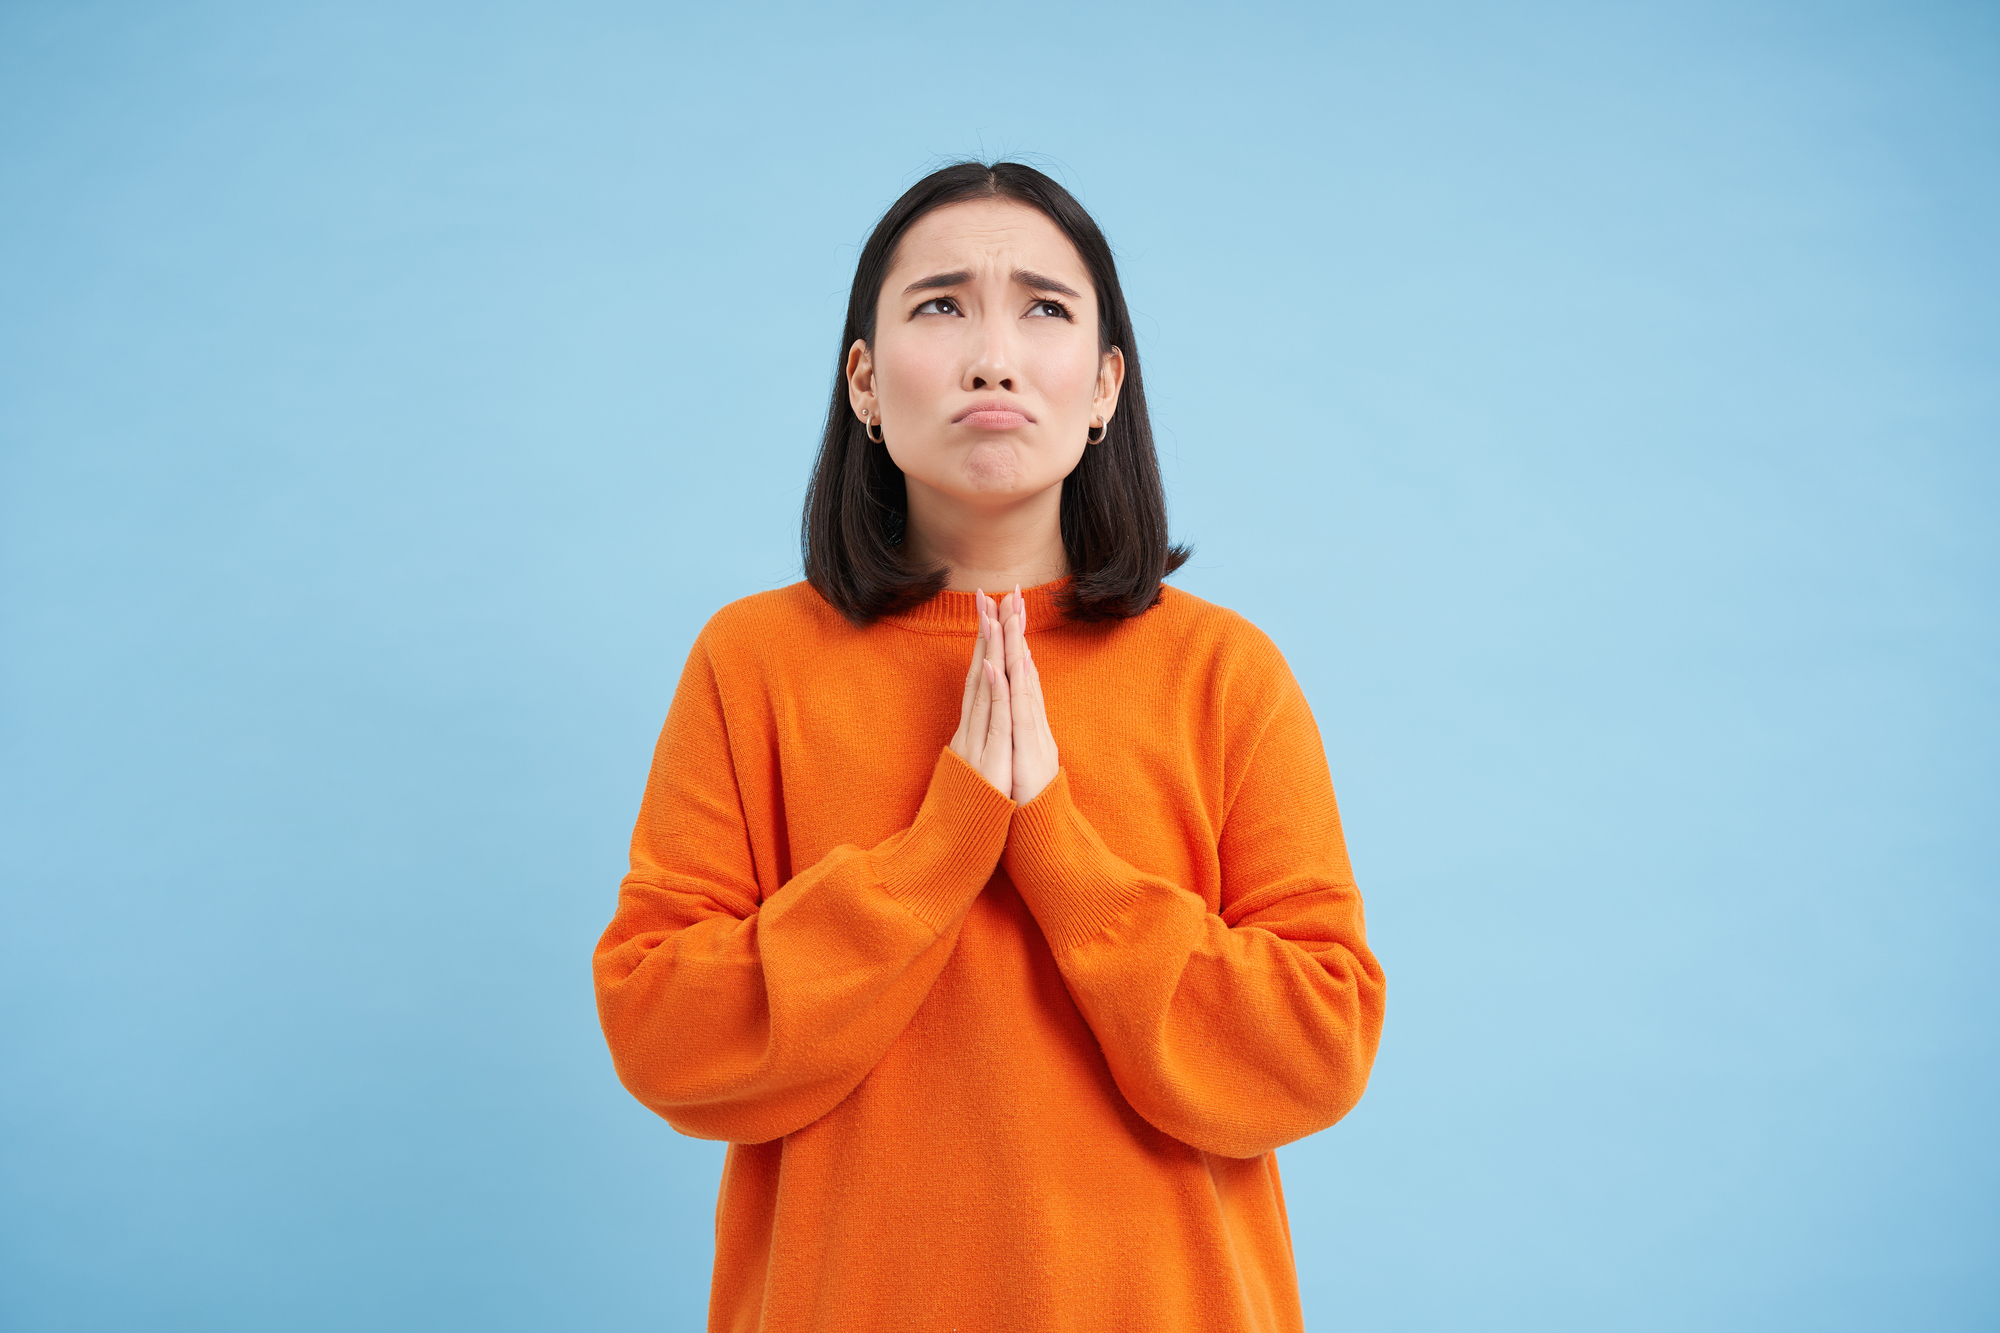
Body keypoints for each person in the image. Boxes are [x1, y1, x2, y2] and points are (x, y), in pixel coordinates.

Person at [592, 160, 1386, 1333]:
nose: (992, 355)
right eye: (939, 305)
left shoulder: (1226, 674)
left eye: (1046, 310)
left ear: (1104, 384)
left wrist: (1056, 851)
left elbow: (1316, 1045)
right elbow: (664, 1029)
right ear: (863, 380)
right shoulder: (752, 662)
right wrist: (942, 845)